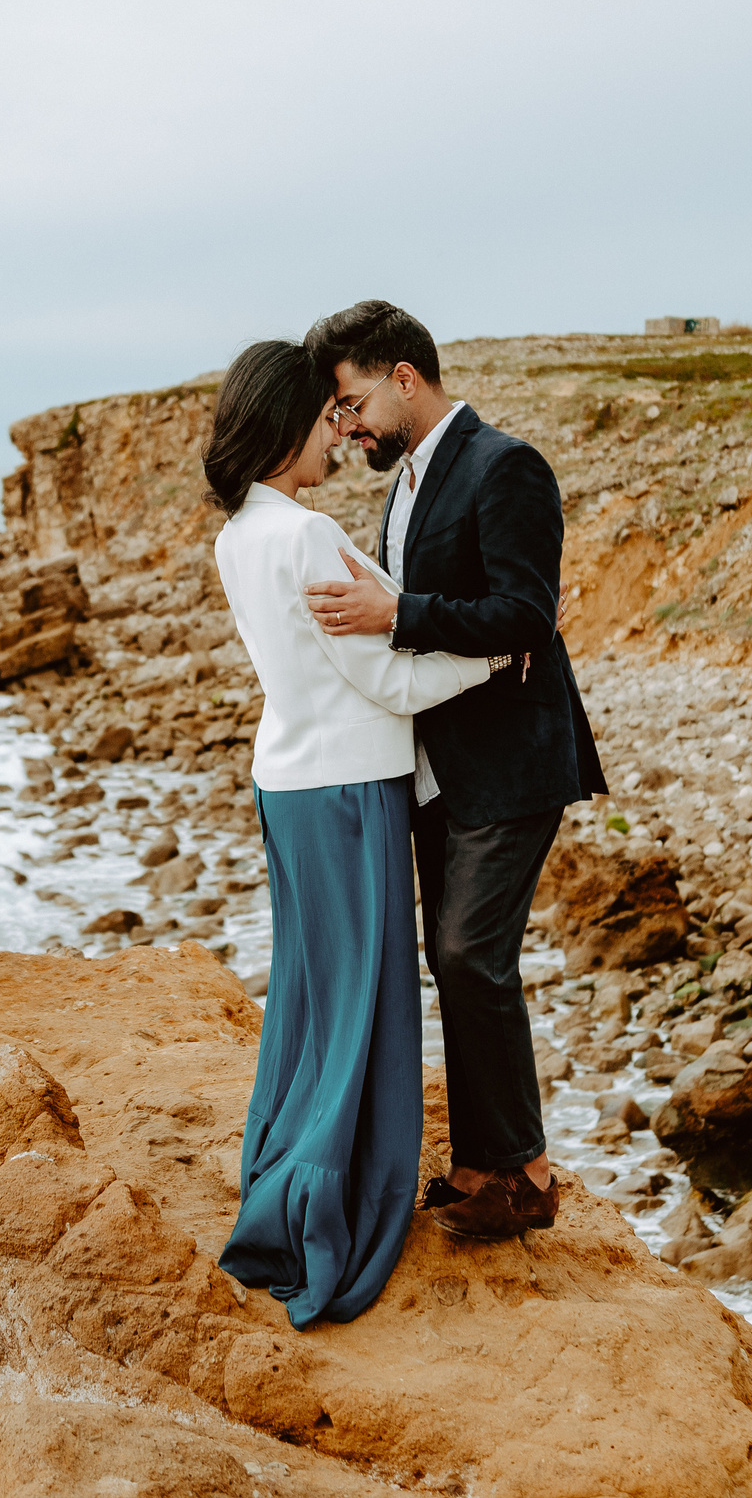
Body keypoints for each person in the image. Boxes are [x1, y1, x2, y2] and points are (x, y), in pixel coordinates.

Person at [201, 337, 503, 1328]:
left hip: (289, 782)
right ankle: (324, 1211)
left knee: (309, 997)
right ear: (287, 421)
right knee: (360, 1007)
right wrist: (496, 659)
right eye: (327, 415)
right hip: (347, 790)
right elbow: (386, 680)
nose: (343, 430)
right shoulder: (305, 538)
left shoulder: (242, 532)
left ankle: (281, 1174)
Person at [300, 300, 607, 1241]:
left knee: (473, 954)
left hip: (513, 758)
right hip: (439, 765)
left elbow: (523, 611)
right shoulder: (404, 486)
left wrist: (396, 615)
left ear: (404, 378)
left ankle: (530, 1174)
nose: (347, 426)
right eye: (337, 416)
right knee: (455, 959)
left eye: (352, 404)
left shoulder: (504, 464)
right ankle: (483, 1166)